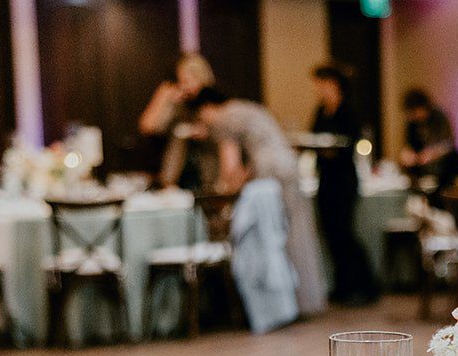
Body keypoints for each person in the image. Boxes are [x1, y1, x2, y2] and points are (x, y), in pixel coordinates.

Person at [193, 87, 328, 316]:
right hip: (288, 164)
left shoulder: (223, 119)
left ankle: (279, 305)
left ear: (206, 108)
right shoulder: (246, 107)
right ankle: (305, 299)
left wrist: (223, 192)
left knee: (273, 234)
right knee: (296, 232)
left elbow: (230, 167)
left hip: (270, 171)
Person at [308, 63, 377, 305]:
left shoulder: (347, 110)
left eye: (322, 83)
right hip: (325, 179)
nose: (318, 89)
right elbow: (314, 138)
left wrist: (332, 150)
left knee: (345, 233)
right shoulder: (320, 111)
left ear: (334, 84)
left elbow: (352, 143)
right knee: (331, 235)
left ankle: (366, 286)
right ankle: (342, 287)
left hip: (344, 180)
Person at [139, 53, 218, 192]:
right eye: (181, 81)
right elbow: (148, 127)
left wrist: (207, 130)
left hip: (210, 179)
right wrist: (165, 98)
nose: (184, 86)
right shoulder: (177, 105)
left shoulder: (214, 102)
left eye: (188, 80)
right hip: (175, 180)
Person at [399, 87, 458, 198]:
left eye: (417, 111)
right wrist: (407, 153)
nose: (415, 115)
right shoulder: (412, 123)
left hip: (446, 169)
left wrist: (433, 153)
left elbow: (449, 143)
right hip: (425, 174)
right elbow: (409, 145)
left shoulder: (440, 116)